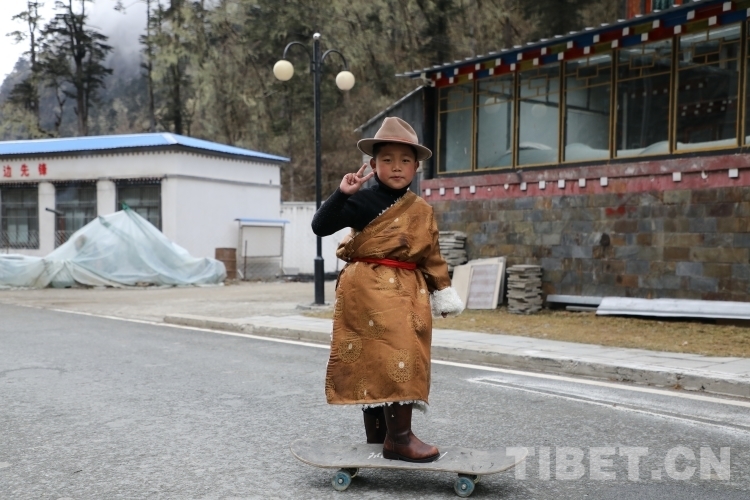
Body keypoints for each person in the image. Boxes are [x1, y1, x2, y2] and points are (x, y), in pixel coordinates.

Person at [311, 117, 464, 463]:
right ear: (373, 165)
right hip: (364, 292)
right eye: (387, 160)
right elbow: (320, 226)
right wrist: (342, 193)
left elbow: (432, 255)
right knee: (376, 359)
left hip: (407, 293)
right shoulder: (362, 201)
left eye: (405, 160)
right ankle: (392, 438)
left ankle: (393, 437)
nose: (396, 167)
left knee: (400, 355)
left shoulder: (421, 210)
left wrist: (442, 291)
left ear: (416, 167)